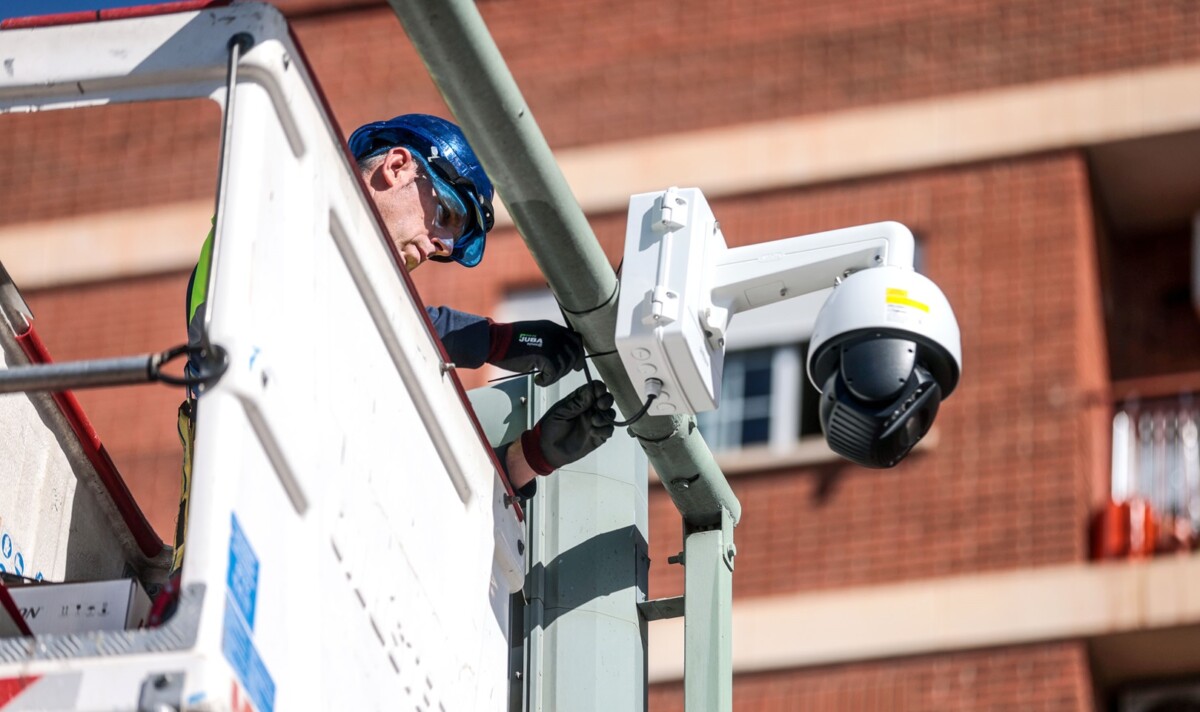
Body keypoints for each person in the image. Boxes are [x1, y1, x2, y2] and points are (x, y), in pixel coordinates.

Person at [172, 114, 616, 573]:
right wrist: (496, 340)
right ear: (399, 166)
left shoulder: (355, 362)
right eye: (444, 215)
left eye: (445, 247)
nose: (435, 246)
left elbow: (411, 503)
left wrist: (531, 457)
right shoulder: (283, 199)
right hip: (235, 559)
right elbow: (365, 313)